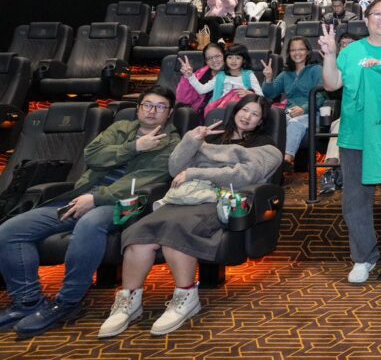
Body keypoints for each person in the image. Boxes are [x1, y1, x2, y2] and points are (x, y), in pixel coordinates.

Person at [0, 87, 180, 338]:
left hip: (125, 204)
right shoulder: (120, 128)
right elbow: (92, 156)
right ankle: (27, 301)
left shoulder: (171, 144)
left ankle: (68, 301)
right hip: (80, 197)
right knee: (10, 230)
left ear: (169, 113)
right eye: (147, 105)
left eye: (160, 107)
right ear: (138, 108)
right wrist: (134, 147)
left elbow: (142, 182)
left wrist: (96, 199)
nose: (152, 111)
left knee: (90, 222)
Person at [100, 95, 281, 337]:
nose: (247, 116)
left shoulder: (266, 146)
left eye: (255, 114)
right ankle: (128, 301)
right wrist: (191, 140)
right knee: (138, 235)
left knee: (176, 232)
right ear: (235, 111)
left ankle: (186, 296)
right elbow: (175, 168)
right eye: (244, 110)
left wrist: (196, 173)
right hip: (183, 197)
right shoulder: (210, 137)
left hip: (217, 199)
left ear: (262, 121)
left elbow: (245, 176)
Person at [319, 0, 381, 283]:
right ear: (366, 19)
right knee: (356, 200)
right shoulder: (351, 52)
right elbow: (331, 84)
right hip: (356, 138)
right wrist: (329, 55)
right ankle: (363, 257)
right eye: (378, 14)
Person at [260, 37, 324, 168]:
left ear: (308, 51)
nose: (297, 53)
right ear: (289, 53)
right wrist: (268, 78)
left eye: (301, 49)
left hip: (313, 112)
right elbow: (270, 94)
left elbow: (321, 95)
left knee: (295, 123)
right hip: (290, 111)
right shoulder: (286, 73)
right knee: (272, 121)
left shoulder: (316, 69)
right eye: (293, 50)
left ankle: (286, 161)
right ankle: (265, 159)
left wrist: (304, 109)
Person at [180, 43, 263, 114]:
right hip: (221, 111)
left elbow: (261, 96)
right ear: (225, 59)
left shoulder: (249, 75)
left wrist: (251, 95)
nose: (233, 61)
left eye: (238, 58)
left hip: (241, 111)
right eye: (230, 57)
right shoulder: (220, 76)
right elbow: (202, 90)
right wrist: (190, 76)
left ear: (243, 60)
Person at [175, 43, 225, 112]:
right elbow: (183, 99)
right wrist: (187, 77)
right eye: (209, 58)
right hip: (198, 113)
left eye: (217, 56)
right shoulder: (199, 74)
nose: (214, 60)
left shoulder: (233, 74)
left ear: (224, 55)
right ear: (206, 61)